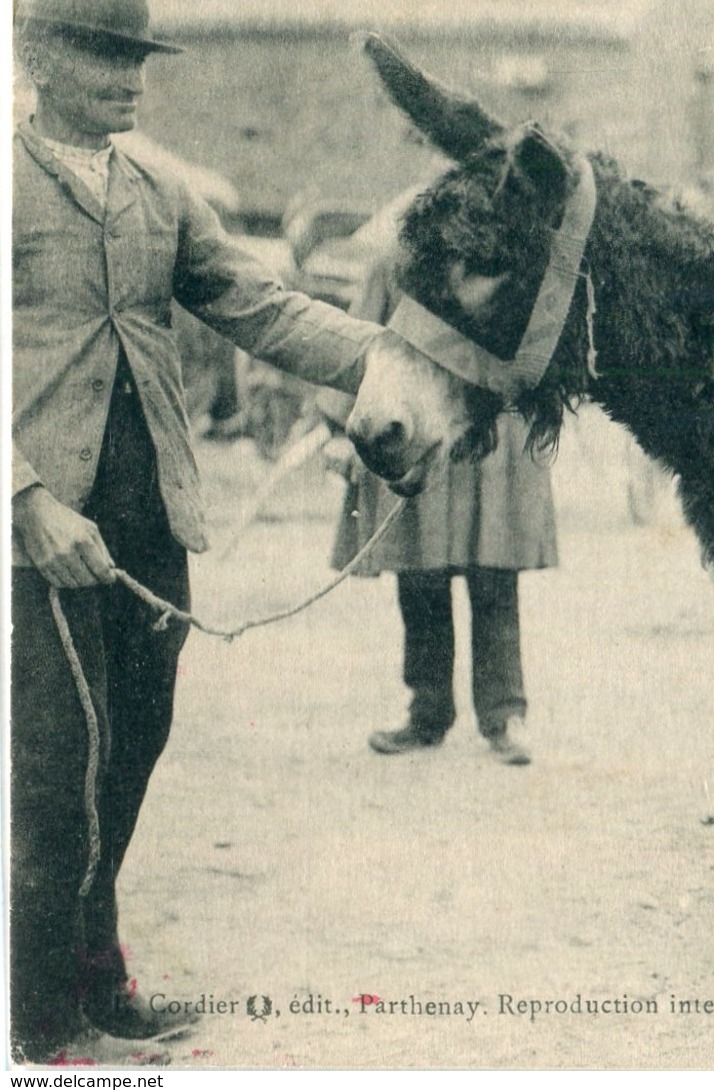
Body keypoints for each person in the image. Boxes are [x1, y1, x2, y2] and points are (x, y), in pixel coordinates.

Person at [8, 0, 424, 1064]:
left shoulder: (159, 190)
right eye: (105, 56)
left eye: (138, 59)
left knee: (132, 751)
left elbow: (262, 303)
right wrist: (24, 497)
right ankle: (34, 1020)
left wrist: (382, 356)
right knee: (56, 767)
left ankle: (95, 981)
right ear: (35, 54)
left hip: (152, 522)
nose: (131, 80)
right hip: (37, 533)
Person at [325, 221, 559, 768]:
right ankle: (427, 711)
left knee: (495, 576)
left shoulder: (509, 258)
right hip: (414, 428)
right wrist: (341, 427)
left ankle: (504, 716)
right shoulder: (398, 257)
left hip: (490, 436)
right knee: (420, 576)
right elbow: (359, 338)